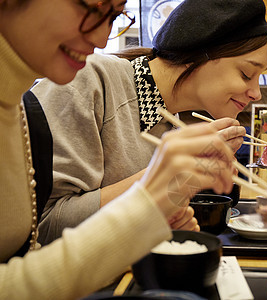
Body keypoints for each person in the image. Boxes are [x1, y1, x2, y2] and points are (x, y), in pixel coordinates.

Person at [0, 0, 239, 298]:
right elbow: (47, 230)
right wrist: (149, 198)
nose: (102, 38)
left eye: (115, 16)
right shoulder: (88, 78)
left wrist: (156, 213)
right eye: (93, 8)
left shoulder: (13, 104)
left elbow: (26, 252)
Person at [31, 0, 267, 244]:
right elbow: (45, 226)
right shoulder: (89, 80)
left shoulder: (170, 121)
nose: (256, 93)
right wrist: (167, 176)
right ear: (200, 50)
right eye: (246, 74)